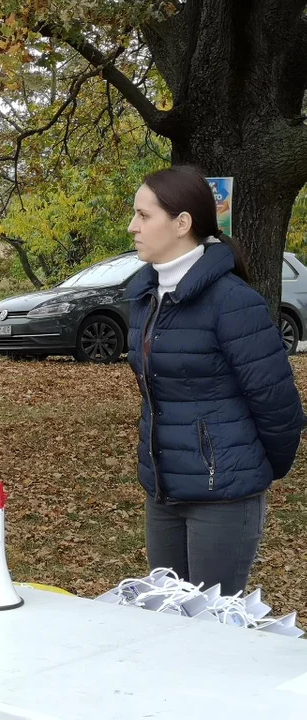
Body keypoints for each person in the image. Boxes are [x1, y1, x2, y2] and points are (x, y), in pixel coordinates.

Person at [125, 165, 305, 595]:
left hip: (223, 495)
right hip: (163, 490)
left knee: (214, 632)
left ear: (182, 222)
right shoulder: (145, 297)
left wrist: (246, 472)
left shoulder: (232, 302)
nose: (132, 226)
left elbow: (279, 407)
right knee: (164, 617)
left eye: (144, 215)